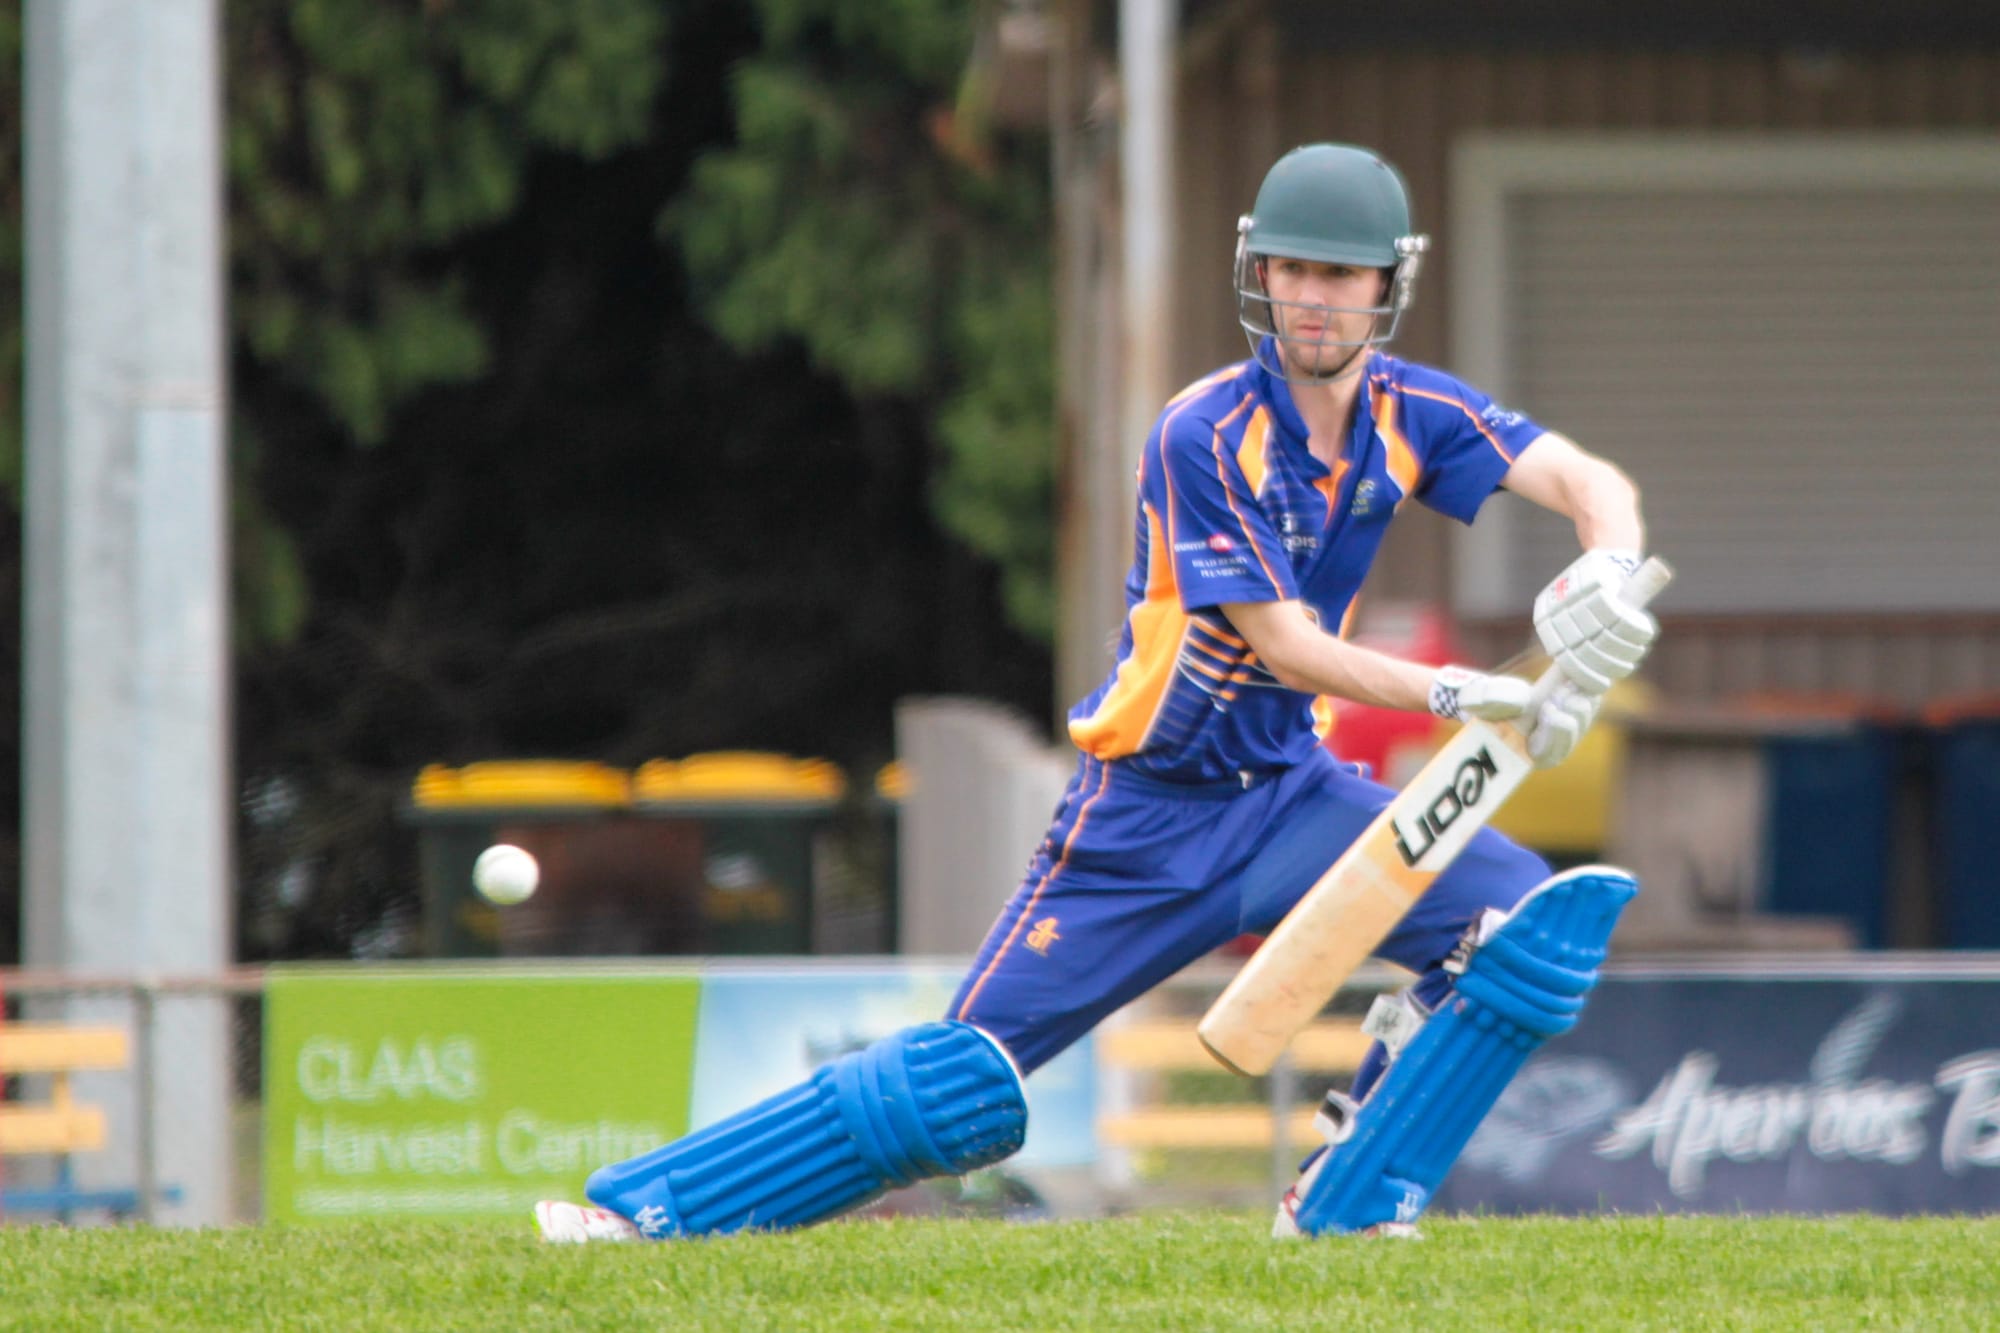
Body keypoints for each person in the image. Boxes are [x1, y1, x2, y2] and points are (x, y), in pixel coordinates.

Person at [534, 142, 1659, 1244]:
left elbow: (1583, 477)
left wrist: (1604, 562)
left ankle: (1347, 1205)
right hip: (1143, 817)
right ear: (1258, 274)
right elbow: (1286, 649)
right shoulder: (1203, 433)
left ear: (1386, 283)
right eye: (1293, 270)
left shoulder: (1410, 413)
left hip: (1291, 796)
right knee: (952, 1090)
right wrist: (1477, 696)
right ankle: (636, 1211)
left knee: (1514, 929)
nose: (1313, 299)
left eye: (1340, 274)